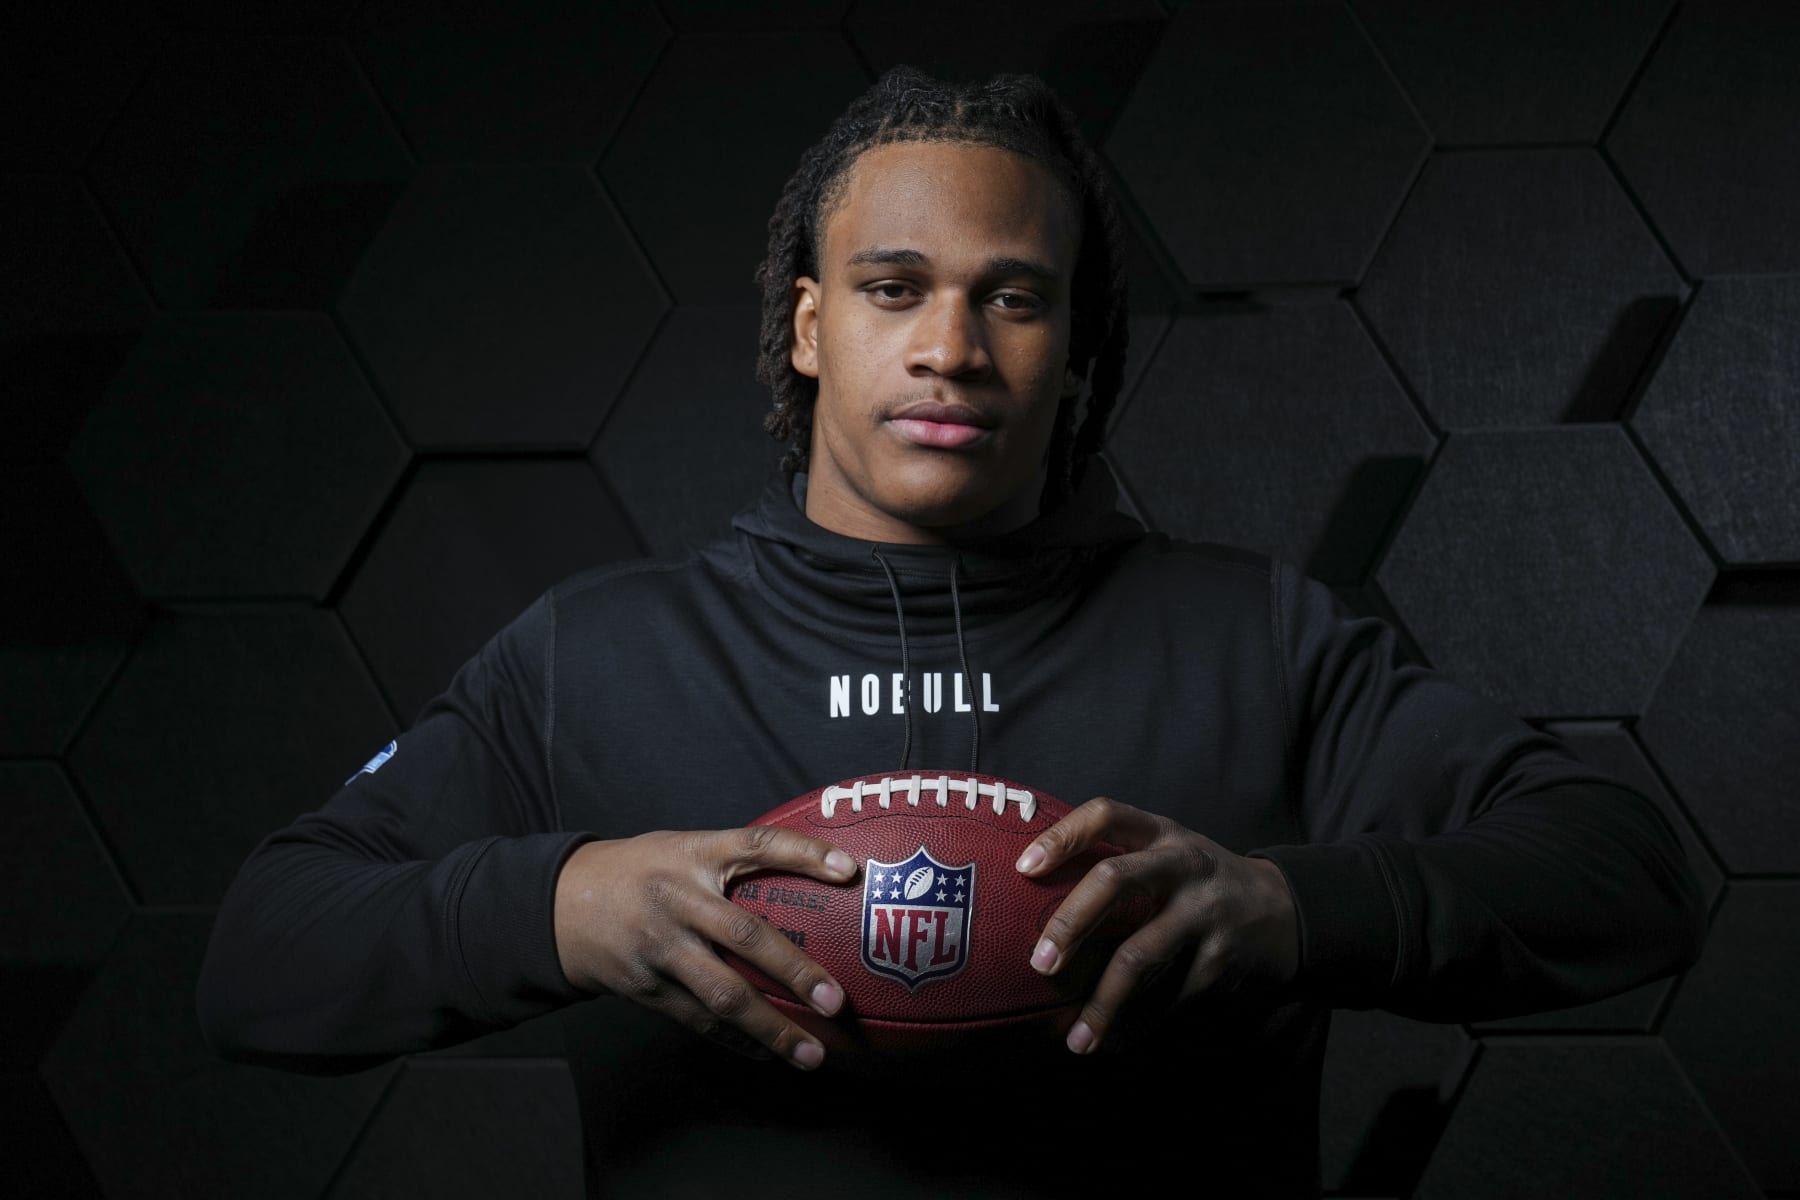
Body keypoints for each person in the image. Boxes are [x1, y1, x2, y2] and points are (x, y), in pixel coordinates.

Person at [198, 68, 1704, 1197]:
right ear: (808, 327)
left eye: (1016, 298)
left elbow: (1625, 872)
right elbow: (261, 960)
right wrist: (562, 904)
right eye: (893, 287)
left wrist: (1286, 908)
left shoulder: (1255, 635)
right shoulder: (597, 654)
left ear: (1075, 350)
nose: (950, 348)